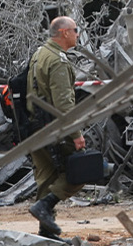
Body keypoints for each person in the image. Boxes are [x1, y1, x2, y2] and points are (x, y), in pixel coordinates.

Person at [26, 16, 84, 239]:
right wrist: (76, 134)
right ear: (64, 33)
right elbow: (63, 104)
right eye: (75, 30)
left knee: (47, 177)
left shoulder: (40, 53)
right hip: (55, 127)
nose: (78, 34)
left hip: (35, 125)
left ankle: (46, 233)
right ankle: (45, 205)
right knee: (82, 170)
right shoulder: (58, 61)